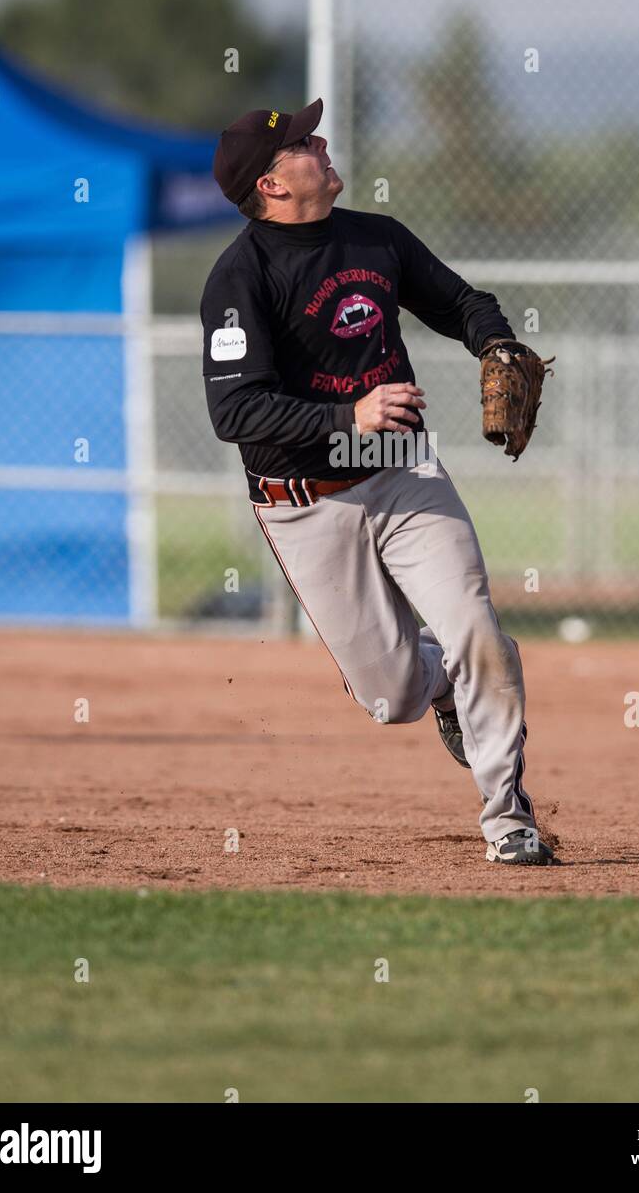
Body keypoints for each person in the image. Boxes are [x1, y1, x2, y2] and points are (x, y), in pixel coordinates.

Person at [202, 97, 554, 865]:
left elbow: (459, 301)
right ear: (271, 184)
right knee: (390, 696)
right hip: (305, 502)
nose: (320, 144)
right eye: (302, 144)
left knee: (475, 629)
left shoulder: (375, 238)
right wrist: (347, 417)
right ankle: (441, 685)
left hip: (402, 470)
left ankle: (509, 820)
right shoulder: (241, 276)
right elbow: (235, 410)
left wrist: (494, 343)